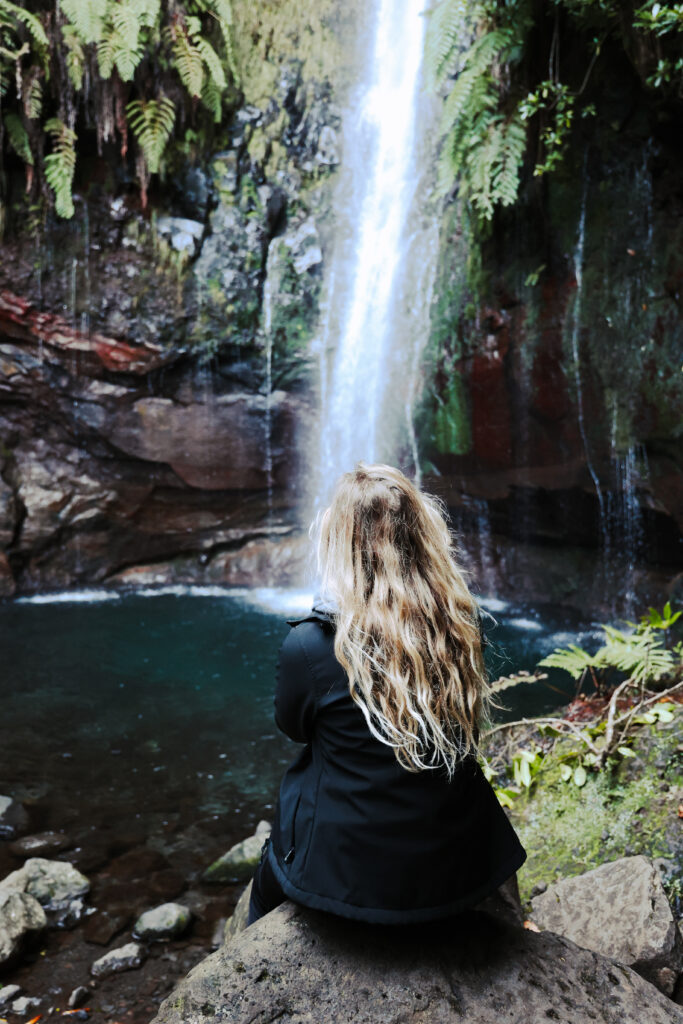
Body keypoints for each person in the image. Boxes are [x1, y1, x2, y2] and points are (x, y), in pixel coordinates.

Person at [248, 462, 526, 926]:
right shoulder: (457, 625)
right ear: (422, 534)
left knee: (263, 886)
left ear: (339, 544)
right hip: (454, 873)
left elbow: (293, 728)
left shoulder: (311, 646)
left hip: (345, 879)